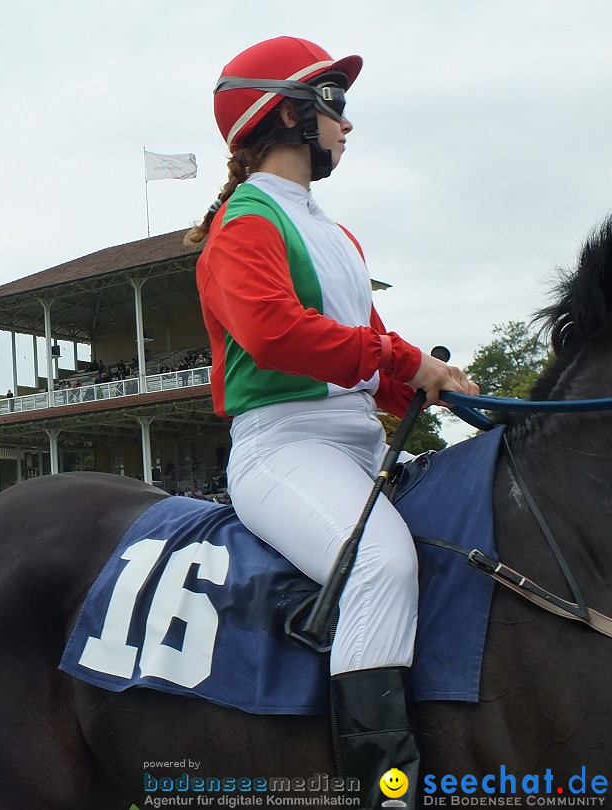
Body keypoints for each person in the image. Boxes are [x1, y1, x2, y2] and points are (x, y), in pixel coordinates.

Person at [186, 36, 478, 807]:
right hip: (284, 449)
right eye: (334, 105)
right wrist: (408, 362)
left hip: (357, 444)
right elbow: (277, 333)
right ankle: (384, 792)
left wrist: (435, 391)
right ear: (286, 114)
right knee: (381, 563)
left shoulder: (337, 234)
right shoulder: (243, 223)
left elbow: (369, 358)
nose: (347, 126)